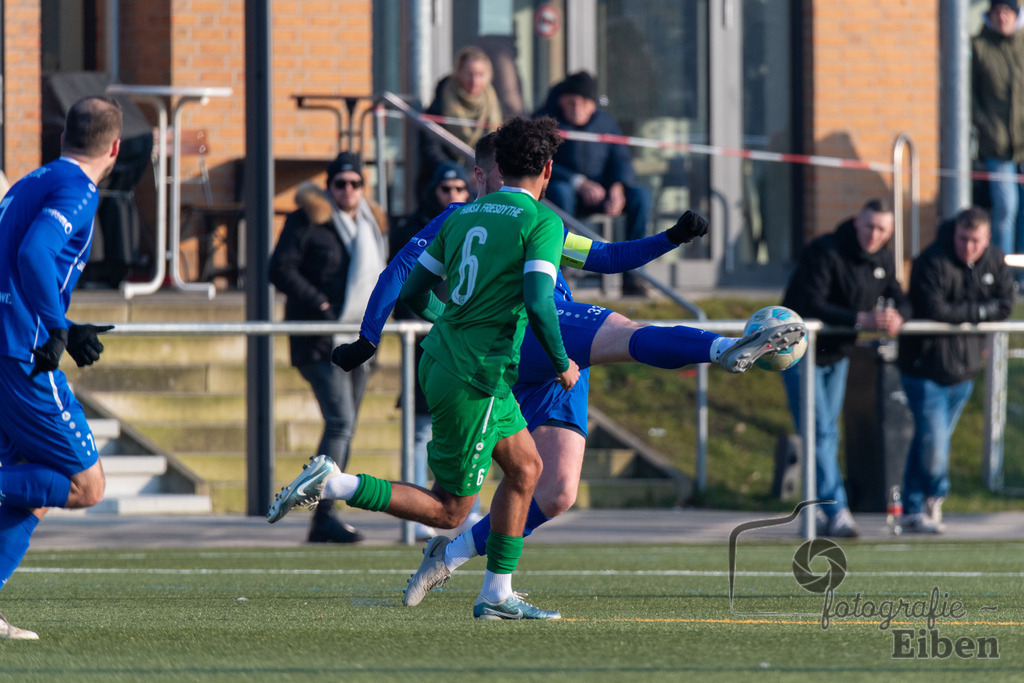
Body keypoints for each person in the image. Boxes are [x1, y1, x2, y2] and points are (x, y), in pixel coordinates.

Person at [332, 131, 805, 608]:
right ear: (483, 174)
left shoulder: (541, 222)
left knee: (553, 489)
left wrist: (671, 238)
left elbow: (603, 256)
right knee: (623, 332)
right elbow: (398, 274)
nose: (507, 176)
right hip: (534, 332)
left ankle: (456, 558)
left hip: (541, 350)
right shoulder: (464, 217)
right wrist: (374, 337)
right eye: (498, 167)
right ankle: (723, 348)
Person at [269, 116, 582, 621]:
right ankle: (335, 485)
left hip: (453, 363)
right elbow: (540, 303)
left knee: (526, 469)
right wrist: (564, 363)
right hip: (475, 375)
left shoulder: (462, 217)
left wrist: (448, 322)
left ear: (497, 167)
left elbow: (412, 289)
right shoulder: (541, 222)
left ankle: (497, 594)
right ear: (548, 169)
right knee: (451, 510)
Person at [0, 95, 123, 639]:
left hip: (10, 345)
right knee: (84, 485)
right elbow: (33, 254)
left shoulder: (31, 181)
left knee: (40, 487)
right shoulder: (76, 189)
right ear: (115, 148)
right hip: (22, 354)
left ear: (62, 137)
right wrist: (58, 326)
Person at [268, 151, 388, 544]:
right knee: (340, 422)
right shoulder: (307, 220)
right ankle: (320, 507)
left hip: (358, 338)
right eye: (341, 183)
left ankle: (324, 517)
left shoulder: (370, 224)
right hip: (319, 339)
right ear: (329, 185)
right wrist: (319, 302)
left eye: (356, 184)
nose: (349, 190)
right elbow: (279, 268)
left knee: (347, 428)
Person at [779, 198, 911, 538]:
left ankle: (821, 511)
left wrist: (899, 315)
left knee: (828, 434)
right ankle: (837, 511)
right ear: (856, 222)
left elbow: (901, 296)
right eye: (869, 226)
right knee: (819, 431)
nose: (874, 234)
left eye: (882, 229)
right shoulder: (825, 250)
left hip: (835, 354)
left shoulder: (881, 258)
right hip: (796, 351)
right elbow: (811, 303)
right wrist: (861, 319)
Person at [898, 207, 1014, 533]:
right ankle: (935, 494)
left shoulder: (993, 260)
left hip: (964, 369)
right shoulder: (932, 260)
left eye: (975, 240)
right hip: (925, 370)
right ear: (955, 234)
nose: (968, 247)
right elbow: (936, 309)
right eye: (963, 239)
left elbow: (1005, 303)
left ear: (987, 238)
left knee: (929, 440)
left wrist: (970, 313)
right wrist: (980, 312)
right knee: (934, 444)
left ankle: (911, 507)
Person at [535, 71, 653, 294]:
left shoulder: (606, 123)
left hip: (603, 193)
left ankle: (633, 275)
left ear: (593, 105)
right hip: (563, 193)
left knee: (641, 197)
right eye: (571, 102)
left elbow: (622, 158)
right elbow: (539, 161)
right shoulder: (545, 120)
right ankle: (560, 272)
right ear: (561, 99)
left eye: (583, 103)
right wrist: (577, 182)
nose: (576, 108)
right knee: (560, 192)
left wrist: (618, 187)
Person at [972, 0, 1024, 264]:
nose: (1002, 17)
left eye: (1008, 11)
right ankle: (1003, 270)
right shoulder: (979, 47)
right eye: (997, 11)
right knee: (1006, 208)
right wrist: (986, 126)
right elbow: (969, 97)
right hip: (997, 146)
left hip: (1022, 143)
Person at [418, 45, 503, 197]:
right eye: (469, 74)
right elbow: (431, 147)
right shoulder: (442, 101)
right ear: (458, 73)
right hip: (445, 181)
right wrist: (458, 174)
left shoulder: (492, 103)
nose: (474, 81)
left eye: (480, 74)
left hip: (480, 179)